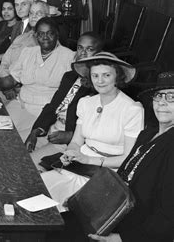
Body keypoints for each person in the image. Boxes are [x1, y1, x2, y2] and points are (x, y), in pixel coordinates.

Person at [41, 52, 144, 212]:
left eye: (106, 75)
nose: (100, 81)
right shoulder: (86, 103)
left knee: (66, 209)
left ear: (118, 76)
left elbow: (127, 158)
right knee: (38, 188)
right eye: (95, 75)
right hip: (79, 164)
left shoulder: (132, 109)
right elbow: (76, 141)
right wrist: (70, 153)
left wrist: (89, 159)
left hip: (108, 173)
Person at [87, 71, 174, 242]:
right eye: (158, 96)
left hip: (138, 230)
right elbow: (122, 177)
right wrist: (87, 199)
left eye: (171, 97)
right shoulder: (147, 133)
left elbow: (168, 213)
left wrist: (122, 238)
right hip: (116, 213)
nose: (162, 102)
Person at [0, 17, 74, 139]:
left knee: (14, 141)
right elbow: (11, 80)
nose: (45, 37)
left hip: (44, 114)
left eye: (50, 33)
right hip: (21, 104)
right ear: (36, 36)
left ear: (56, 34)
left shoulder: (69, 57)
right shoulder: (28, 52)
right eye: (41, 34)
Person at [25, 32, 104, 167]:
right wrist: (36, 130)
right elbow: (52, 106)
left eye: (89, 49)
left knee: (27, 165)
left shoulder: (99, 87)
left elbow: (99, 129)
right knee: (16, 151)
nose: (83, 53)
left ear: (99, 54)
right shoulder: (69, 77)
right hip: (51, 130)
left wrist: (70, 136)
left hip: (69, 142)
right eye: (80, 48)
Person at [0, 0, 48, 78]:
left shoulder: (48, 43)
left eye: (38, 13)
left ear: (47, 16)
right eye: (31, 13)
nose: (33, 16)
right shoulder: (21, 38)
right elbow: (4, 62)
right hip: (7, 81)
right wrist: (5, 77)